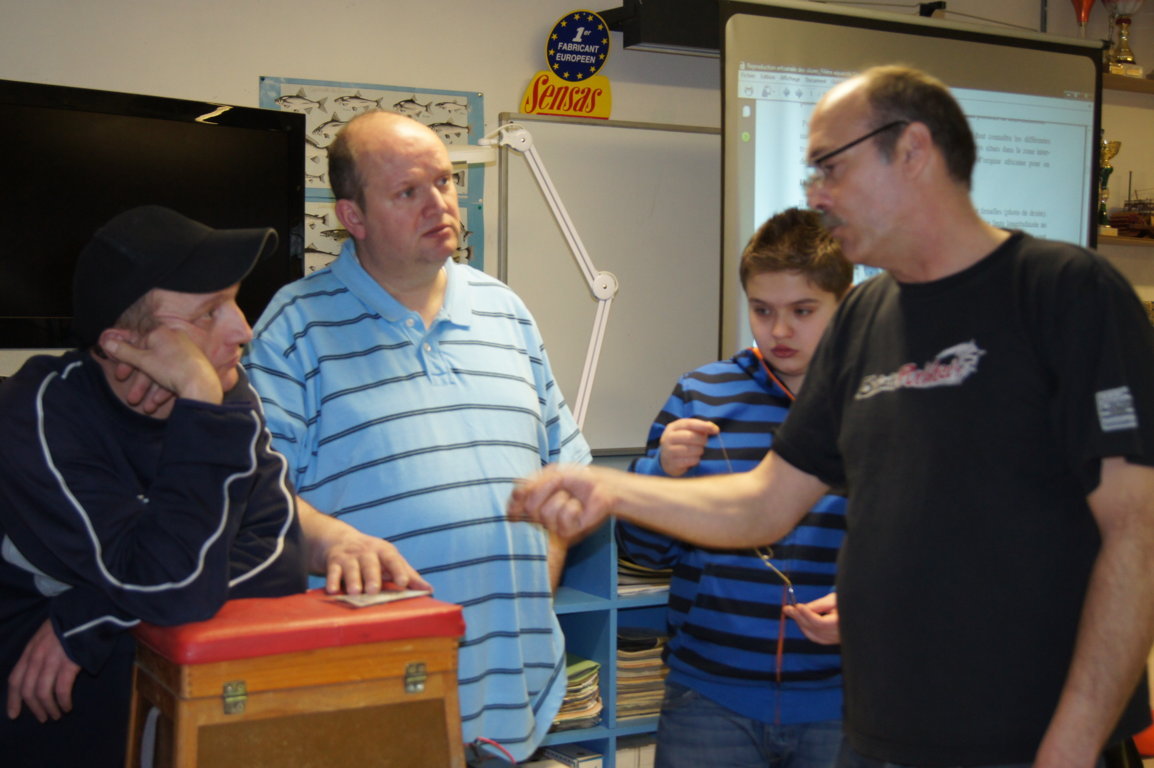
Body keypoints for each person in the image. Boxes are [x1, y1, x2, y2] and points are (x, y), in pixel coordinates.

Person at [509, 65, 1154, 768]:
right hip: (883, 736)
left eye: (831, 168)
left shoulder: (1064, 293)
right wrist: (614, 488)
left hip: (1029, 739)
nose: (816, 196)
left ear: (912, 150)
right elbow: (764, 501)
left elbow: (1138, 532)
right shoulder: (868, 320)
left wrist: (1076, 740)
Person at [0, 205, 427, 768]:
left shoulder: (226, 396)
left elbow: (277, 559)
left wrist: (94, 614)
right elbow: (175, 587)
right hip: (50, 716)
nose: (243, 331)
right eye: (208, 313)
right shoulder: (38, 417)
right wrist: (201, 402)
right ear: (124, 343)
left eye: (234, 299)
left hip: (173, 701)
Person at [244, 110, 591, 766]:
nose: (440, 204)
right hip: (376, 708)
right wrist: (337, 541)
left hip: (517, 701)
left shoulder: (505, 311)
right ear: (353, 216)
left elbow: (565, 469)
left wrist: (539, 570)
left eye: (444, 181)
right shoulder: (294, 328)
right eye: (408, 192)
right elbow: (257, 503)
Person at [618, 207, 850, 768]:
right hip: (709, 698)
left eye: (803, 311)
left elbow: (921, 548)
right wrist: (660, 475)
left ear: (847, 305)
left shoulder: (878, 400)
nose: (780, 331)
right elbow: (642, 552)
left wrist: (868, 607)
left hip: (844, 701)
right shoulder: (702, 395)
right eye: (762, 310)